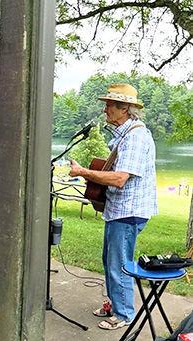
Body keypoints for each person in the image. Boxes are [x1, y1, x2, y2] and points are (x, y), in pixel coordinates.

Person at [68, 83, 157, 331]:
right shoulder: (125, 135)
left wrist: (84, 172)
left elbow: (119, 178)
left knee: (119, 264)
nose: (105, 109)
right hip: (118, 210)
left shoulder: (136, 137)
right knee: (110, 261)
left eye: (109, 105)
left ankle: (124, 314)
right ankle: (113, 303)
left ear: (124, 108)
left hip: (129, 212)